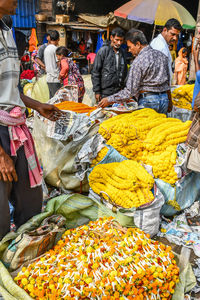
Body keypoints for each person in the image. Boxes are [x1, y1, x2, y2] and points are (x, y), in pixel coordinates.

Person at [0, 0, 62, 240]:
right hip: (2, 134)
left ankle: (24, 246)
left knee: (31, 198)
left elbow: (11, 89)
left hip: (17, 128)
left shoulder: (8, 30)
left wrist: (38, 106)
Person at [98, 29, 171, 114]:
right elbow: (168, 82)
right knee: (161, 126)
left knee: (145, 127)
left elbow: (130, 91)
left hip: (148, 101)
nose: (129, 50)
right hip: (164, 99)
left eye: (130, 47)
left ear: (138, 44)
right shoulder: (162, 56)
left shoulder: (138, 61)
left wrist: (109, 99)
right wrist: (170, 101)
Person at [91, 27, 127, 103]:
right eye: (117, 40)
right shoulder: (103, 51)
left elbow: (124, 71)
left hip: (118, 91)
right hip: (105, 92)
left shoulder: (123, 53)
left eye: (121, 40)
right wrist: (97, 91)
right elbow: (95, 72)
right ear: (111, 38)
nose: (119, 43)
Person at [44, 30, 61, 98]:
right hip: (55, 78)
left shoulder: (46, 49)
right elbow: (58, 63)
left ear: (50, 38)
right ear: (58, 39)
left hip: (49, 78)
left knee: (51, 100)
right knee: (57, 100)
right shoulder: (56, 49)